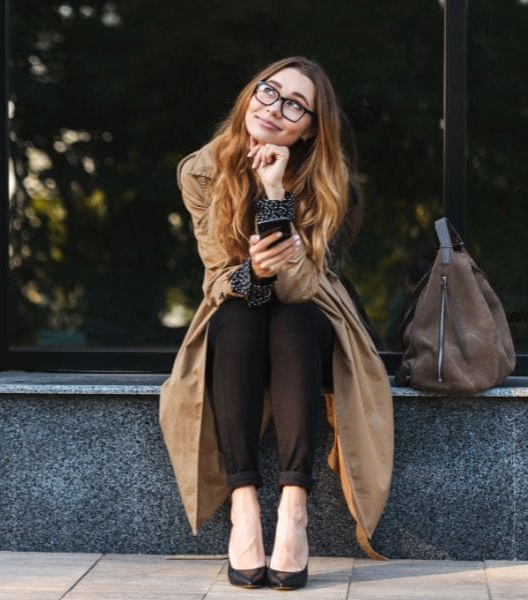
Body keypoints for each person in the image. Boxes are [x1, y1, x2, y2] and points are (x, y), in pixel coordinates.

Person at [159, 56, 395, 591]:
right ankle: (245, 511)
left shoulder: (327, 178)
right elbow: (217, 272)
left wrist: (273, 194)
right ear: (250, 94)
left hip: (312, 308)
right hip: (236, 301)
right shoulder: (200, 169)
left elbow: (302, 285)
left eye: (295, 105)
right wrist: (252, 274)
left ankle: (293, 511)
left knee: (291, 320)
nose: (275, 108)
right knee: (239, 317)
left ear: (309, 127)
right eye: (269, 92)